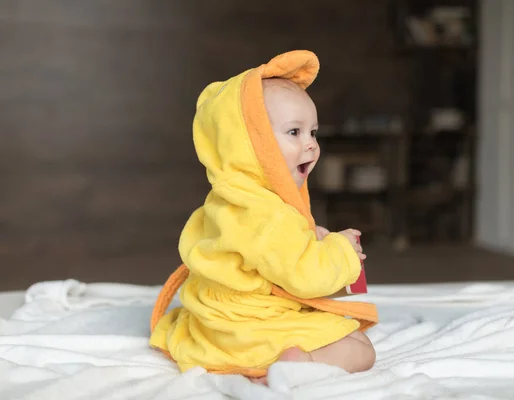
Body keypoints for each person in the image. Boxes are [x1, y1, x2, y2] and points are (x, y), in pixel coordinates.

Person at [149, 50, 378, 385]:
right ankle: (296, 363)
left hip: (217, 323)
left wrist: (312, 237)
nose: (311, 145)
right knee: (362, 350)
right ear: (250, 145)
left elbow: (259, 253)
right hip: (249, 328)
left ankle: (274, 359)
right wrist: (341, 252)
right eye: (294, 132)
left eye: (313, 132)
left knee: (350, 332)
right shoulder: (271, 216)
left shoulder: (230, 198)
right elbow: (304, 277)